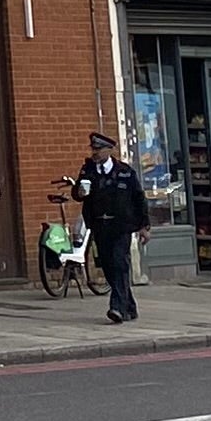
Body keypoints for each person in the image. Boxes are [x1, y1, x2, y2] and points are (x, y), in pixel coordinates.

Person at [74, 132, 150, 324]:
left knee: (119, 263)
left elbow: (139, 199)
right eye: (93, 149)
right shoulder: (88, 171)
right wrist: (79, 192)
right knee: (109, 267)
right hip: (99, 225)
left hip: (121, 226)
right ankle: (129, 306)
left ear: (109, 150)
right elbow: (77, 193)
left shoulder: (124, 172)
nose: (95, 153)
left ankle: (116, 307)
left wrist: (144, 226)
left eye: (99, 149)